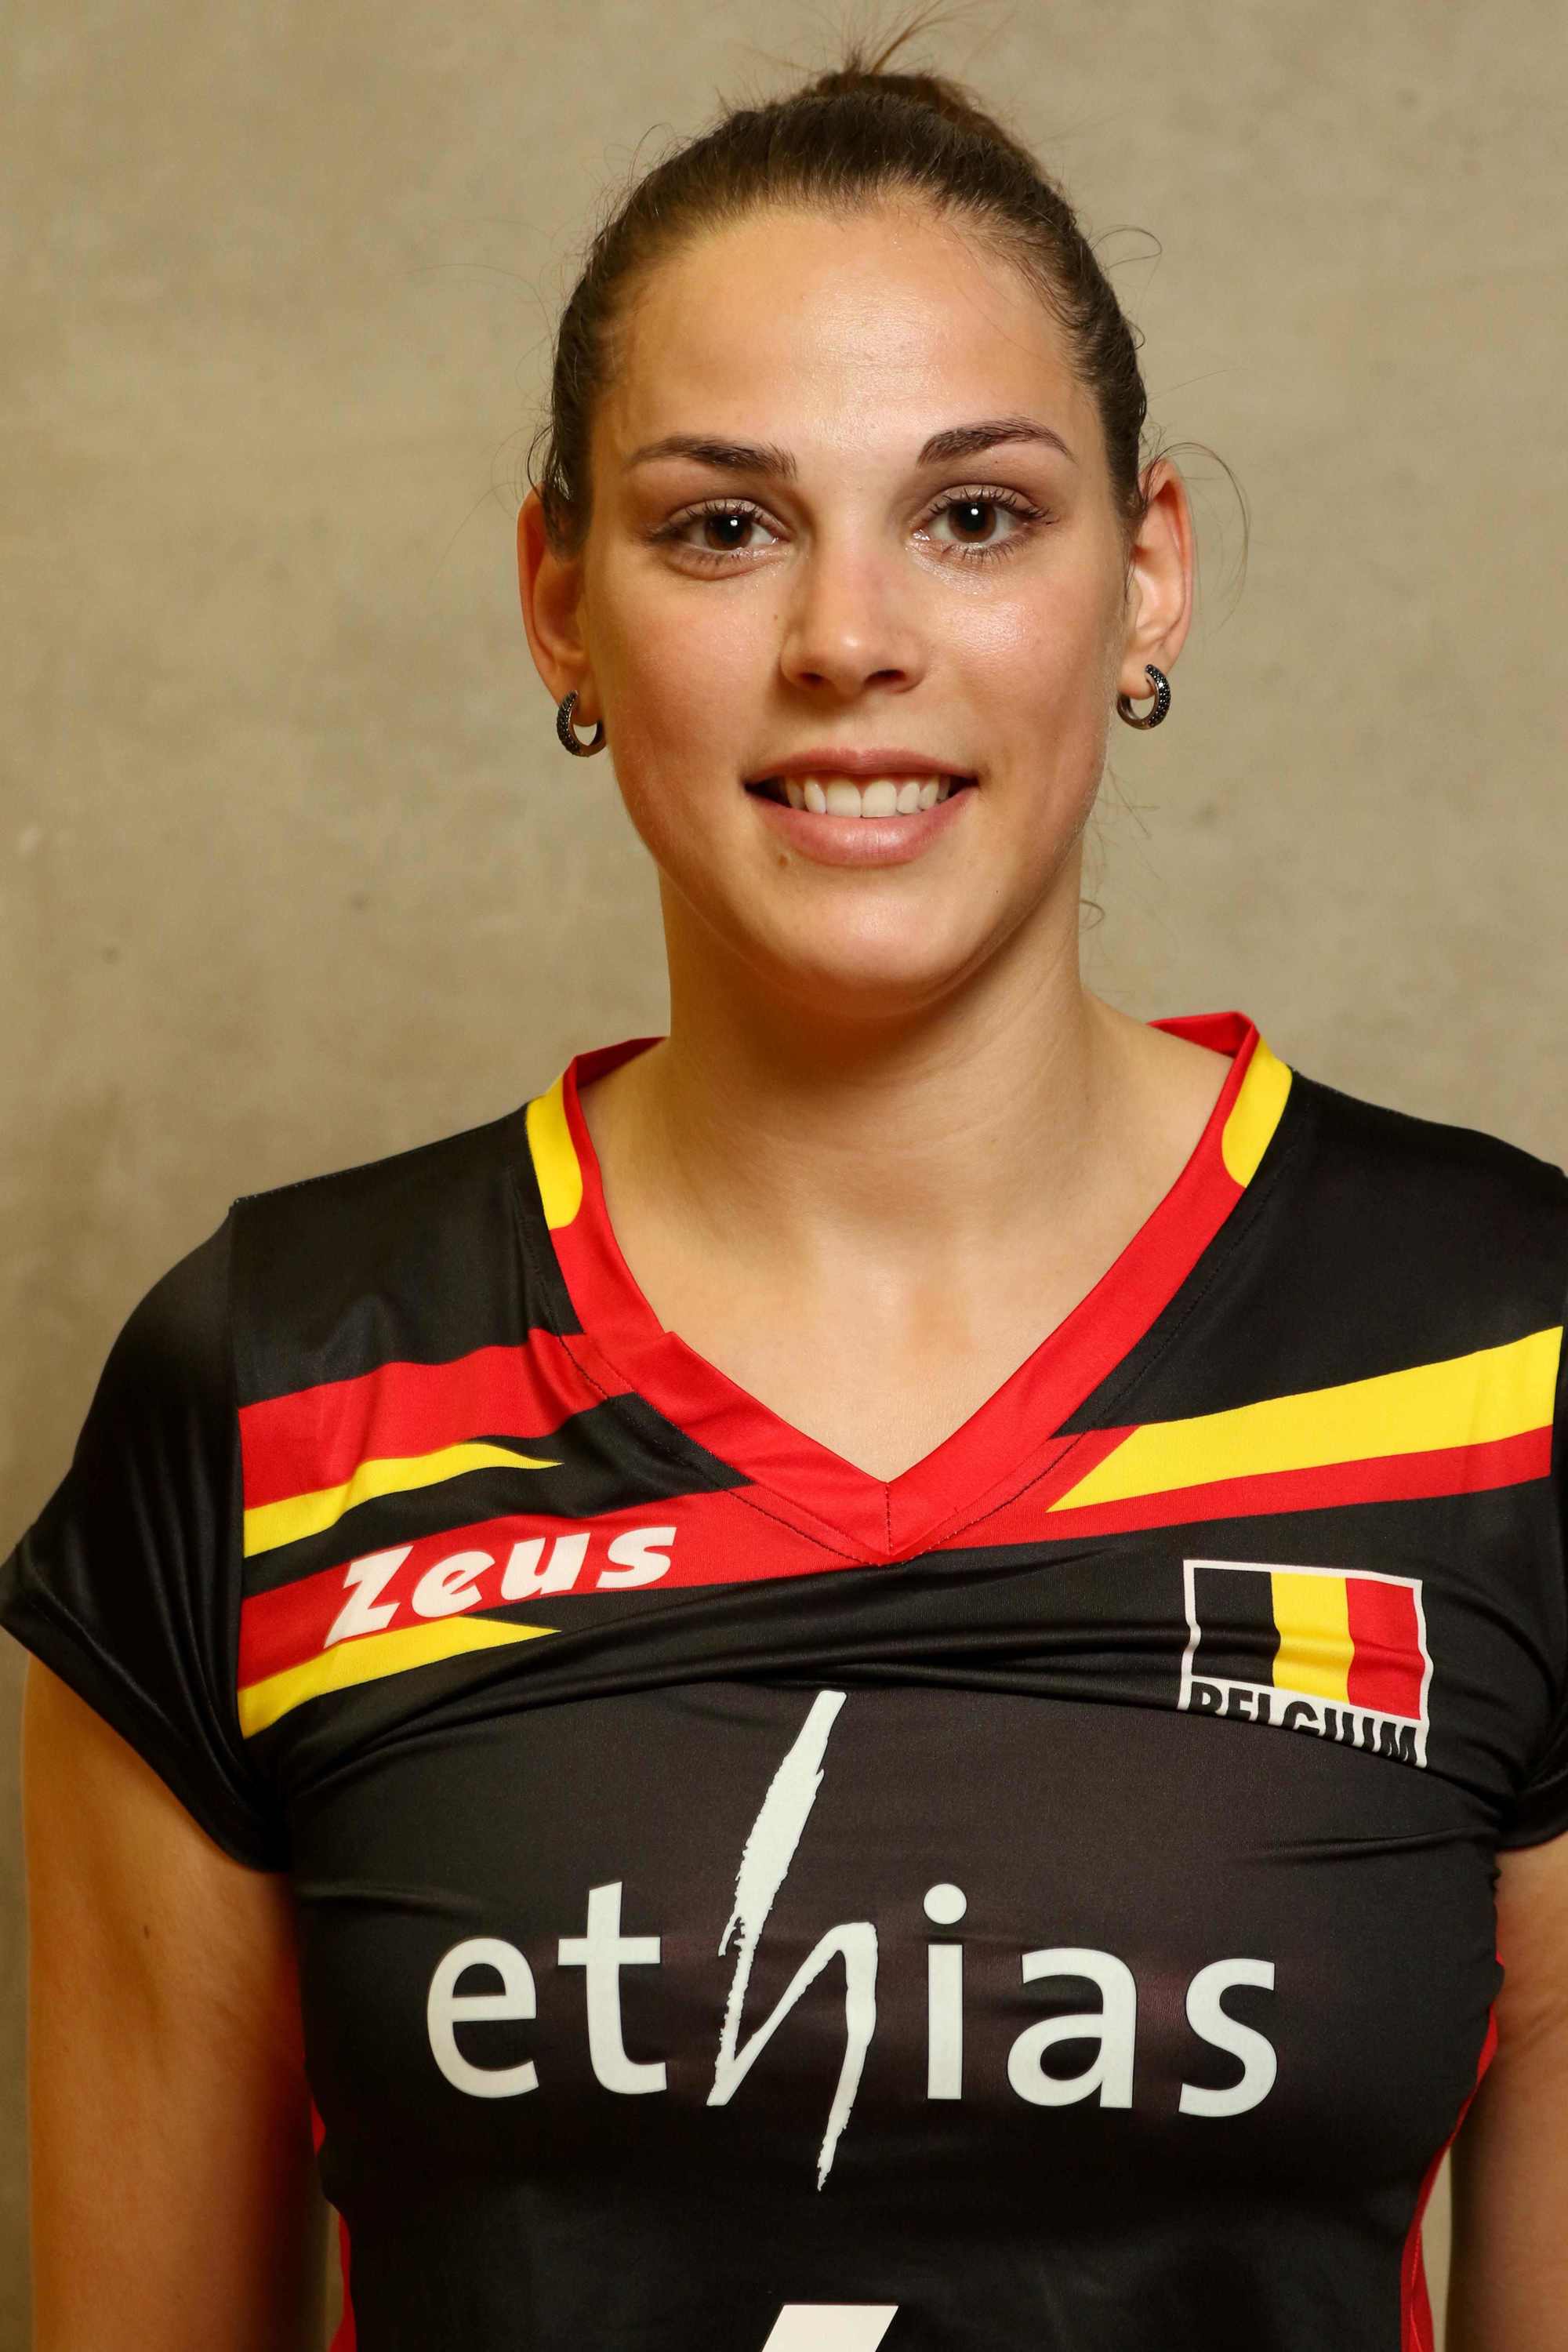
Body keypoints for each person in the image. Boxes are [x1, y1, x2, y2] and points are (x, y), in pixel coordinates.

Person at [5, 15, 1566, 2350]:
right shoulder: (271, 1391)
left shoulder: (1508, 1361)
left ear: (1147, 578)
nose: (851, 641)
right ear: (561, 598)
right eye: (723, 527)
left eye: (975, 515)